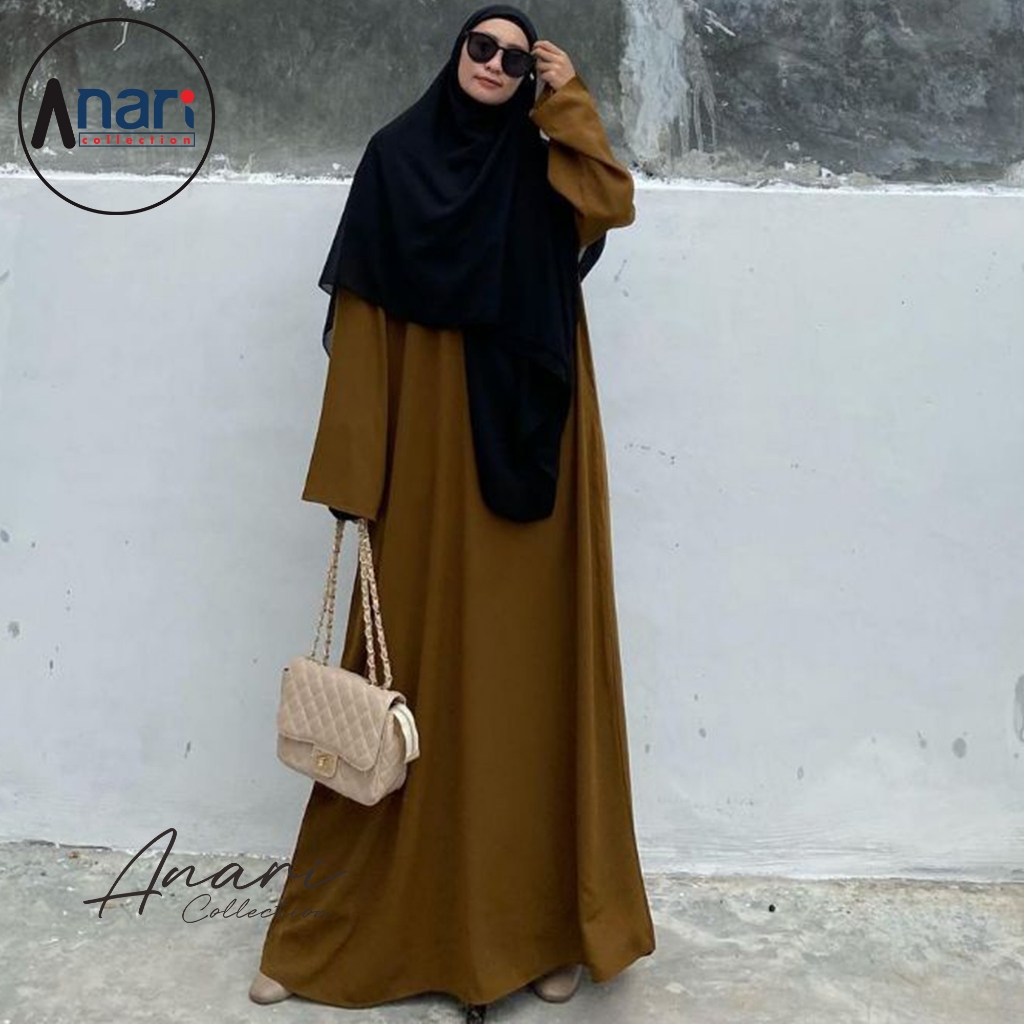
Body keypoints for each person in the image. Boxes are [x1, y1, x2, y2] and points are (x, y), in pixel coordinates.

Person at [250, 4, 655, 1019]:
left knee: (529, 692)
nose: (495, 65)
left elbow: (611, 200)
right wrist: (356, 481)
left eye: (516, 58)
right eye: (482, 47)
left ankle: (544, 934)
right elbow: (361, 320)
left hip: (536, 465)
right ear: (454, 54)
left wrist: (568, 99)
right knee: (406, 684)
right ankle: (328, 932)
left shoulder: (541, 164)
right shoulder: (395, 161)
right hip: (429, 458)